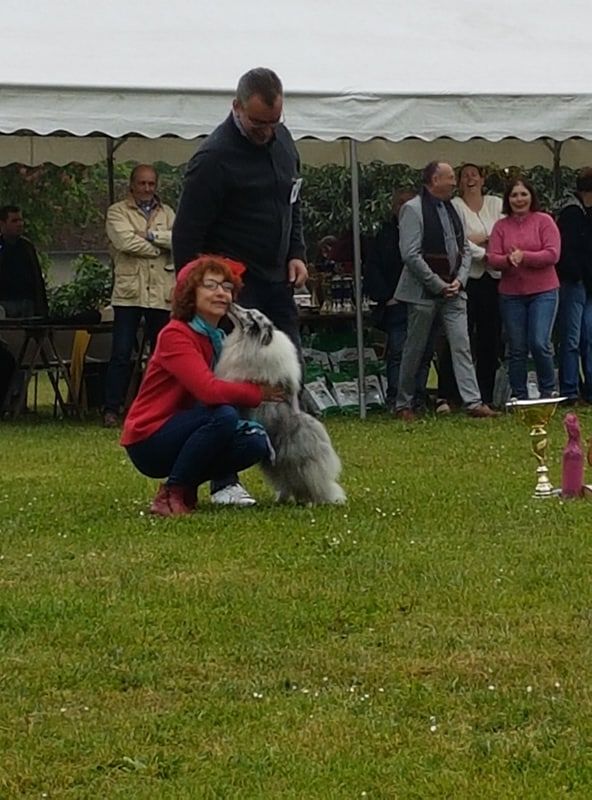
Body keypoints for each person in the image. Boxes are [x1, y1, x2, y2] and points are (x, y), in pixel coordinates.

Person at [121, 255, 284, 516]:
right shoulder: (176, 334)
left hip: (189, 427)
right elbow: (208, 391)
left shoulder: (219, 338)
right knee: (223, 415)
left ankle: (186, 487)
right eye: (210, 286)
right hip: (150, 438)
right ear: (189, 293)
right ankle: (171, 493)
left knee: (254, 444)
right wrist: (258, 393)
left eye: (227, 288)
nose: (221, 293)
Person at [172, 67, 307, 351]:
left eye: (274, 121)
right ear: (237, 107)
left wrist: (296, 252)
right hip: (233, 289)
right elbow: (186, 235)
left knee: (290, 368)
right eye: (258, 123)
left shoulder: (283, 140)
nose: (268, 131)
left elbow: (292, 201)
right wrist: (195, 297)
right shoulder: (213, 159)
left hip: (278, 282)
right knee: (241, 377)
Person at [393, 161, 498, 421]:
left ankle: (473, 402)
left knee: (462, 346)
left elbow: (463, 249)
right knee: (415, 349)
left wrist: (460, 281)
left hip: (454, 291)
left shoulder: (454, 208)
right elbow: (410, 254)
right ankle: (403, 403)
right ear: (433, 180)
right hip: (423, 293)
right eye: (450, 178)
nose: (454, 182)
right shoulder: (413, 210)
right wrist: (438, 284)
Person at [103, 164, 176, 428]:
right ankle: (112, 409)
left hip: (161, 292)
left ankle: (159, 409)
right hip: (129, 293)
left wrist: (148, 235)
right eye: (142, 183)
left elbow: (179, 239)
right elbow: (124, 242)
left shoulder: (167, 212)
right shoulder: (117, 211)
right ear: (131, 185)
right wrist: (159, 245)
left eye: (151, 184)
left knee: (162, 355)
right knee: (121, 354)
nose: (147, 189)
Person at [487, 178, 561, 400]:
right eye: (514, 195)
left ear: (531, 197)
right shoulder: (501, 226)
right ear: (508, 200)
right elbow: (492, 257)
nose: (519, 199)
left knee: (539, 342)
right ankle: (518, 396)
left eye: (523, 194)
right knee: (516, 347)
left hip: (544, 292)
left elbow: (552, 254)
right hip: (511, 295)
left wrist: (524, 256)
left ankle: (548, 391)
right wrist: (509, 260)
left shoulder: (544, 221)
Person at [364, 187, 433, 411]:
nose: (404, 207)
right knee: (399, 352)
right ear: (393, 208)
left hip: (425, 299)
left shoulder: (429, 232)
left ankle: (419, 398)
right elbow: (372, 268)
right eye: (400, 203)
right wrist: (387, 297)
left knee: (423, 353)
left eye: (409, 203)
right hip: (397, 303)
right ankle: (396, 399)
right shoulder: (384, 235)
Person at [452, 164, 504, 405]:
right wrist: (485, 251)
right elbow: (458, 240)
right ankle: (448, 394)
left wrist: (486, 244)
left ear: (483, 179)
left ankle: (486, 394)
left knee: (489, 339)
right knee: (461, 337)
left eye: (474, 174)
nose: (470, 179)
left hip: (494, 279)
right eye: (464, 176)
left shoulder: (496, 203)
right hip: (468, 279)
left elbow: (504, 234)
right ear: (459, 182)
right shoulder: (455, 206)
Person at [555, 167, 592, 403]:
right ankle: (569, 389)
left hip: (586, 284)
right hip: (574, 283)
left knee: (587, 337)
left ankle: (587, 388)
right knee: (572, 338)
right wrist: (577, 275)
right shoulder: (571, 213)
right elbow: (566, 251)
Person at [0, 205, 47, 319]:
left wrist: (42, 309)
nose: (20, 224)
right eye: (14, 221)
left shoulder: (27, 247)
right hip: (4, 303)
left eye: (21, 220)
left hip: (27, 303)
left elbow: (37, 279)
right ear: (2, 224)